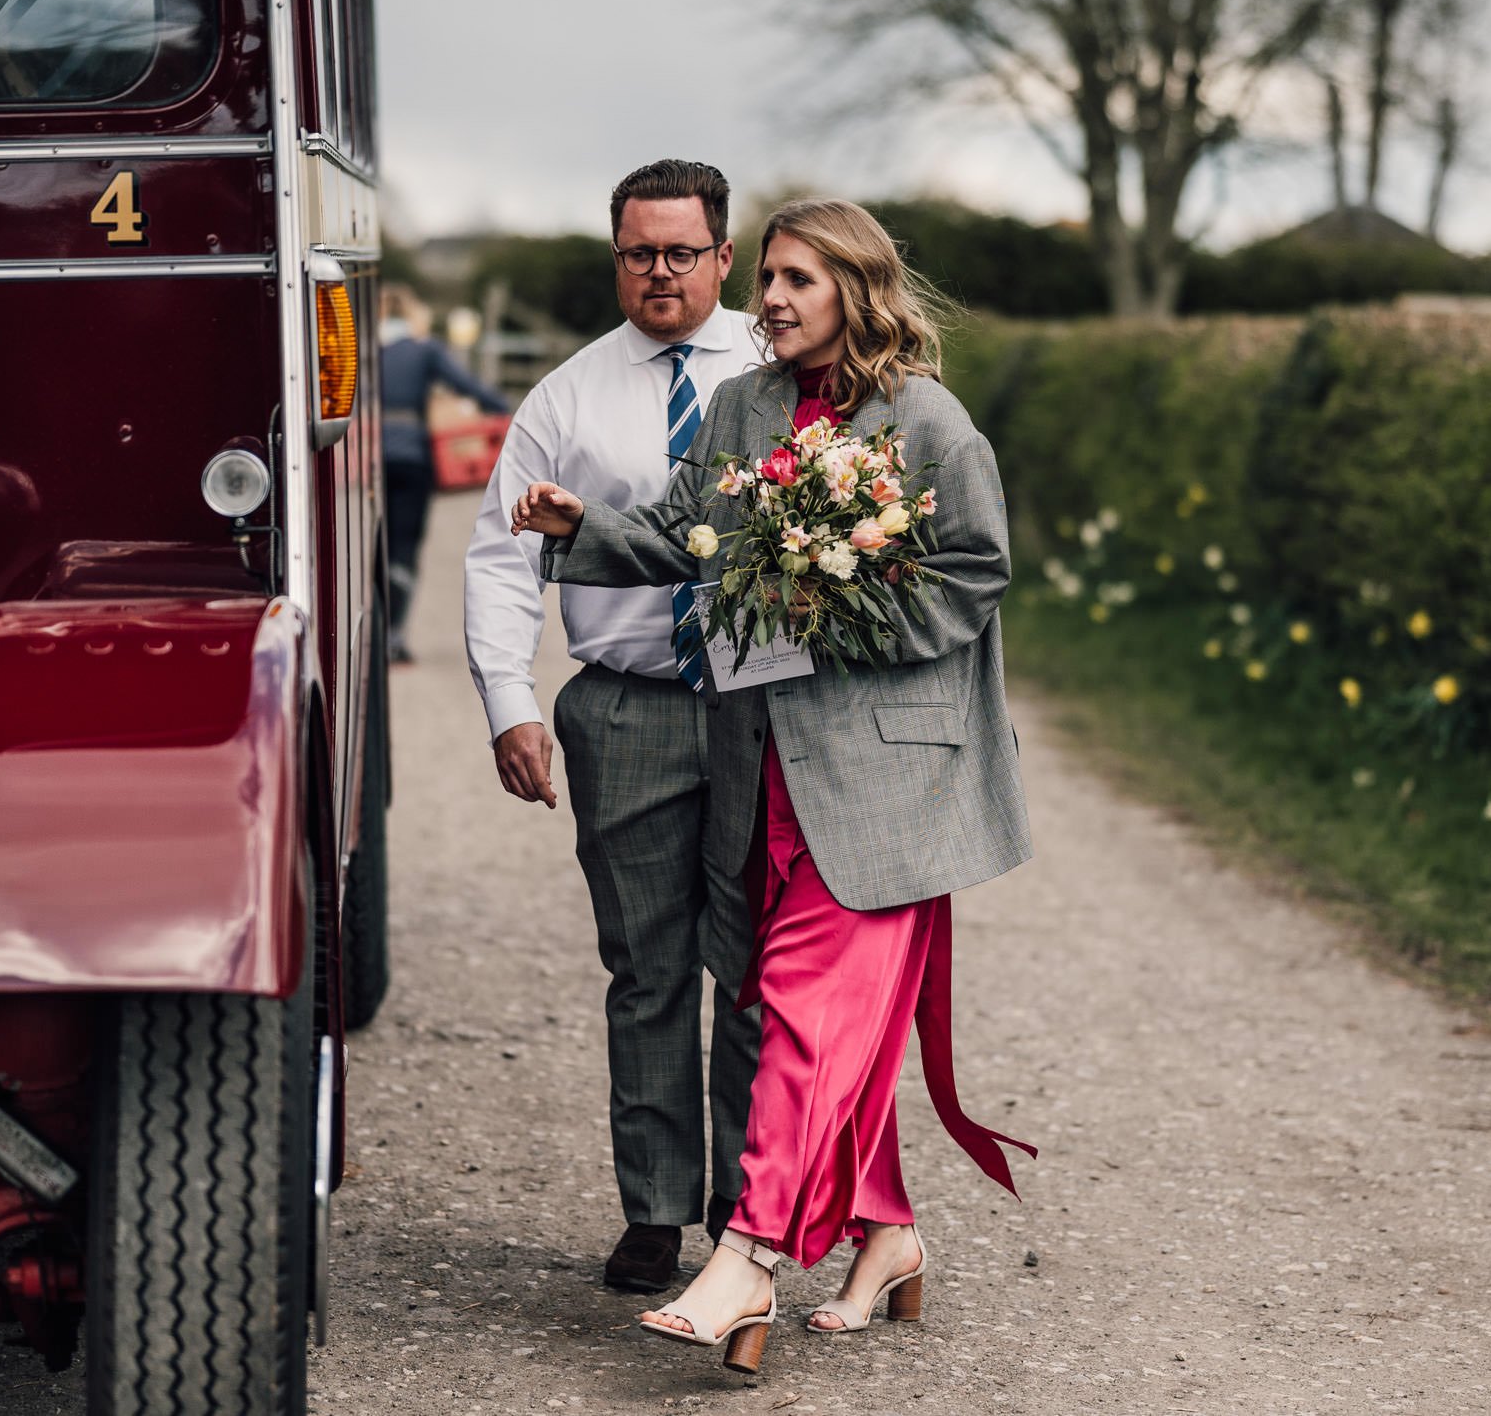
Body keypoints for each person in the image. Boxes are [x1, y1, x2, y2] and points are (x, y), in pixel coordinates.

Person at [510, 197, 1036, 1374]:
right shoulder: (748, 405)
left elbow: (974, 573)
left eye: (799, 279)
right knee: (804, 999)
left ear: (855, 288)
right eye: (775, 277)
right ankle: (888, 1234)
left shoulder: (931, 423)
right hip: (766, 769)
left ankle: (746, 1255)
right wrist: (579, 527)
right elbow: (693, 531)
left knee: (801, 1010)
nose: (776, 298)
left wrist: (842, 611)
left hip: (888, 776)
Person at [463, 160, 766, 1292]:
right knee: (645, 971)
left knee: (750, 967)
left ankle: (748, 1204)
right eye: (638, 252)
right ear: (616, 256)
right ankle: (651, 1209)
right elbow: (501, 557)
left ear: (721, 257)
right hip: (626, 707)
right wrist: (511, 703)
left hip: (755, 707)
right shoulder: (568, 398)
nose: (659, 273)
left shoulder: (776, 371)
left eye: (681, 252)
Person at [382, 286, 508, 663]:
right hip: (412, 458)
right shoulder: (424, 351)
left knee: (373, 547)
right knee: (404, 546)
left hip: (367, 460)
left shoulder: (360, 350)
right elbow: (468, 386)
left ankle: (374, 629)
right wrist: (503, 409)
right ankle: (394, 636)